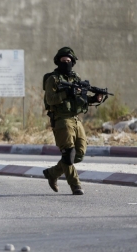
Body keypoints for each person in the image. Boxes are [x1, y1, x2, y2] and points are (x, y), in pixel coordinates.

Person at [43, 47, 102, 195]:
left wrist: (94, 99)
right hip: (61, 119)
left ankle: (52, 173)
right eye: (63, 61)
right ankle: (75, 185)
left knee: (80, 153)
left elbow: (80, 100)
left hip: (75, 119)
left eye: (69, 61)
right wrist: (65, 93)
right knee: (68, 153)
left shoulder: (76, 78)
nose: (66, 63)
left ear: (73, 62)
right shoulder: (53, 79)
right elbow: (50, 99)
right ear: (58, 62)